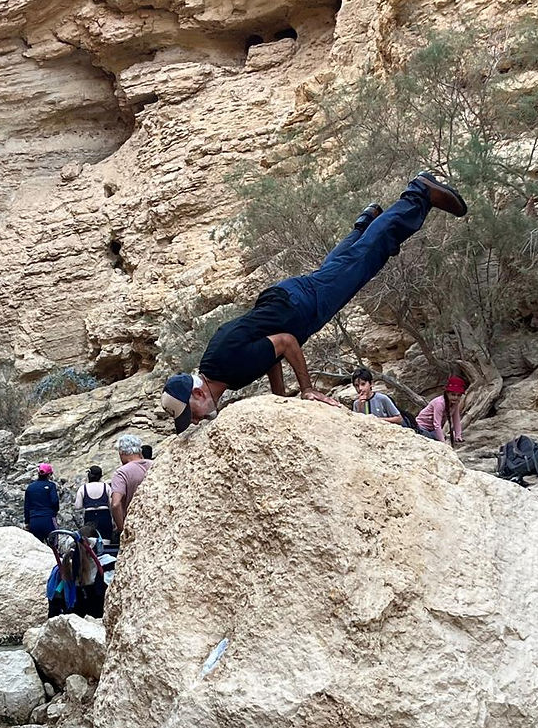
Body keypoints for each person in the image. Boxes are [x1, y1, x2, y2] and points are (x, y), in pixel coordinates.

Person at [160, 172, 467, 432]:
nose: (197, 419)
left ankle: (419, 194)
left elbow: (285, 342)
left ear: (198, 392)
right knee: (344, 264)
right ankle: (363, 225)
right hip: (287, 300)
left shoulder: (227, 369)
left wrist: (306, 389)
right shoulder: (218, 366)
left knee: (366, 259)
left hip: (299, 308)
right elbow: (268, 352)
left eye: (193, 412)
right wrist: (280, 399)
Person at [110, 434, 153, 536]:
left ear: (122, 452)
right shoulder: (155, 465)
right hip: (157, 522)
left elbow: (115, 504)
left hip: (135, 526)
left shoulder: (121, 473)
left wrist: (122, 530)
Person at [415, 375, 466, 444]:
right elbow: (437, 423)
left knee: (438, 436)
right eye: (453, 394)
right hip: (422, 426)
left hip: (433, 429)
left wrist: (458, 435)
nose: (456, 397)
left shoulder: (455, 404)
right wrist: (443, 442)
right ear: (447, 393)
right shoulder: (440, 403)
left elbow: (456, 419)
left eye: (459, 395)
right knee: (430, 438)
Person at [74, 465, 114, 541]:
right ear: (100, 476)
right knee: (106, 539)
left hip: (90, 516)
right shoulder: (106, 486)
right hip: (104, 516)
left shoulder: (83, 488)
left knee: (91, 541)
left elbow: (78, 506)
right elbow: (112, 504)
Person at [24, 462, 60, 542]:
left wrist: (27, 522)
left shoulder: (30, 487)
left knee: (37, 548)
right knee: (53, 547)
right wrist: (55, 512)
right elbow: (55, 502)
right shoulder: (51, 486)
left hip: (34, 521)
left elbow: (27, 506)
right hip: (48, 519)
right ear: (49, 474)